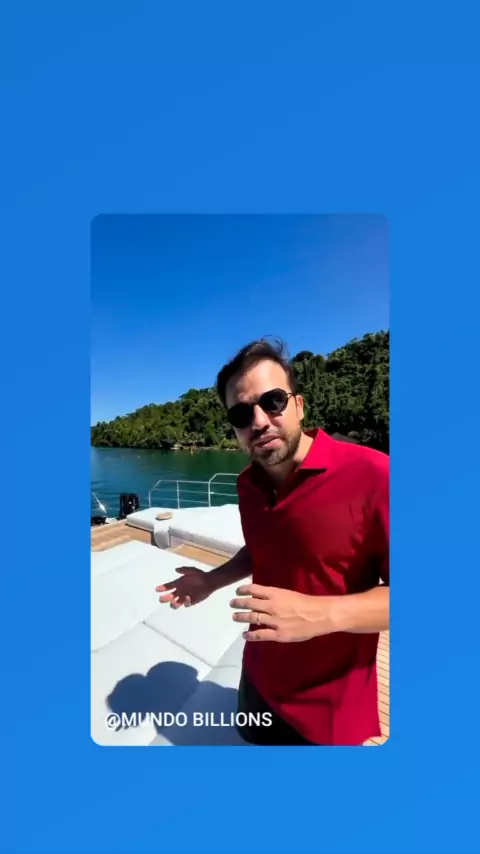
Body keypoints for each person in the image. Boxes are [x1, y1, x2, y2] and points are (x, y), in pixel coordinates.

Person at [155, 339, 389, 746]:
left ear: (299, 405)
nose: (259, 421)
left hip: (328, 706)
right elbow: (263, 548)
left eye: (273, 401)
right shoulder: (249, 484)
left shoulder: (375, 476)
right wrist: (212, 580)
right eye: (242, 413)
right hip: (259, 675)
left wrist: (323, 614)